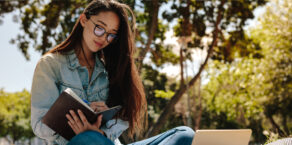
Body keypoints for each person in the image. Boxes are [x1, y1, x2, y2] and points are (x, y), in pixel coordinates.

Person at [30, 0, 195, 145]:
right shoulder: (50, 64)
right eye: (100, 28)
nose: (103, 38)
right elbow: (39, 125)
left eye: (111, 35)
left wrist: (100, 131)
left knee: (185, 134)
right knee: (89, 138)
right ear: (83, 20)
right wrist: (79, 124)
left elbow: (121, 121)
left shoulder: (110, 70)